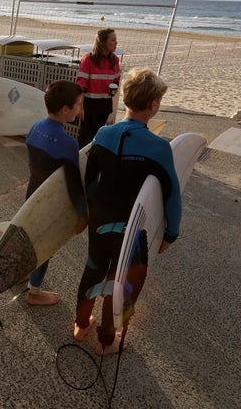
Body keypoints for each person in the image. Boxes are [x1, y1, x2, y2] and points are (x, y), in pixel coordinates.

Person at [73, 67, 181, 356]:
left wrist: (88, 213)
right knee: (119, 279)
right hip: (130, 228)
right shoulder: (159, 147)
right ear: (154, 105)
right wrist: (171, 232)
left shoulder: (103, 133)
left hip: (99, 220)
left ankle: (81, 325)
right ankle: (106, 342)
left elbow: (89, 178)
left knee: (94, 269)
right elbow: (172, 195)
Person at [24, 81, 88, 306]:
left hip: (31, 194)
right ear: (65, 110)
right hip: (50, 205)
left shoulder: (34, 127)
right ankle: (34, 291)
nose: (80, 110)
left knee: (30, 237)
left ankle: (24, 275)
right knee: (45, 246)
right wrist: (83, 214)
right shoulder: (68, 143)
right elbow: (73, 185)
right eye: (78, 105)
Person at [76, 28, 121, 147]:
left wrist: (114, 90)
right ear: (103, 42)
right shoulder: (88, 59)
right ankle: (78, 161)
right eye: (113, 40)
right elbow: (81, 86)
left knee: (98, 136)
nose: (116, 43)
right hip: (89, 104)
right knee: (85, 136)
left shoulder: (115, 60)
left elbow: (116, 80)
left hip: (105, 104)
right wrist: (80, 107)